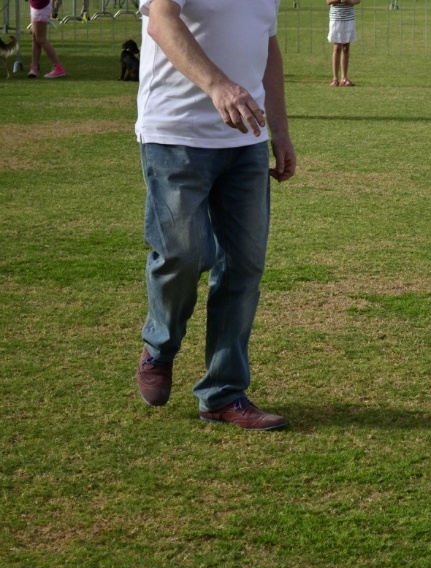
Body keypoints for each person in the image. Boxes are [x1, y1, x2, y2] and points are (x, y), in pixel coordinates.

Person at [134, 0, 296, 431]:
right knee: (183, 255)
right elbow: (161, 21)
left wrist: (279, 129)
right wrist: (218, 85)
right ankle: (160, 347)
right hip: (175, 133)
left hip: (246, 141)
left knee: (243, 266)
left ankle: (223, 394)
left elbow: (267, 46)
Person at [28, 0, 66, 78]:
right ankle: (34, 67)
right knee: (35, 39)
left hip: (40, 6)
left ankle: (58, 67)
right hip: (36, 5)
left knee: (40, 39)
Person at [327, 0, 360, 87]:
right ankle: (335, 78)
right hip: (336, 18)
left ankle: (344, 78)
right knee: (337, 47)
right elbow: (328, 1)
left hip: (349, 18)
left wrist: (350, 2)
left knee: (345, 48)